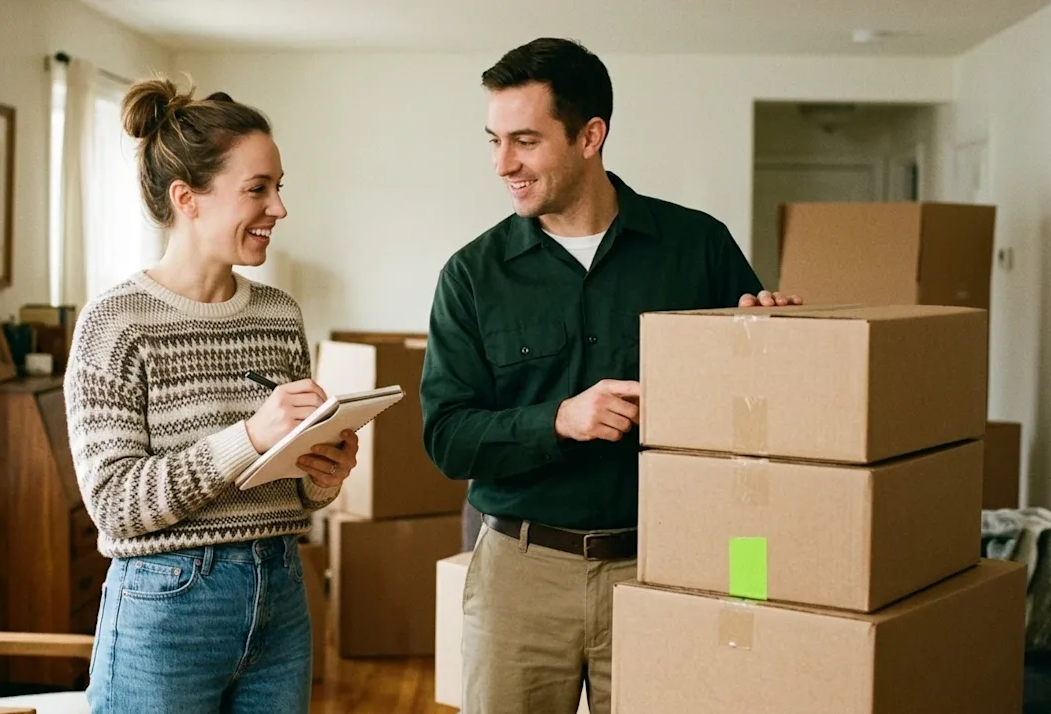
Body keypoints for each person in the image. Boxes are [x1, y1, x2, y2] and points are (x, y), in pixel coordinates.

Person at [419, 38, 800, 714]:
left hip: (667, 569)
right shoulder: (472, 275)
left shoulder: (699, 247)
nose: (504, 164)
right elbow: (447, 440)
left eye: (526, 141)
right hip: (519, 576)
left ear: (591, 135)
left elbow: (757, 414)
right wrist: (558, 419)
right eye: (494, 140)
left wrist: (777, 337)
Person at [64, 78, 357, 714]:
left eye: (280, 187)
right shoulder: (114, 325)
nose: (279, 208)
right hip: (165, 610)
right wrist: (250, 436)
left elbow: (291, 483)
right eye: (258, 189)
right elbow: (113, 505)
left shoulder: (279, 314)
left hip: (281, 591)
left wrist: (324, 475)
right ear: (187, 198)